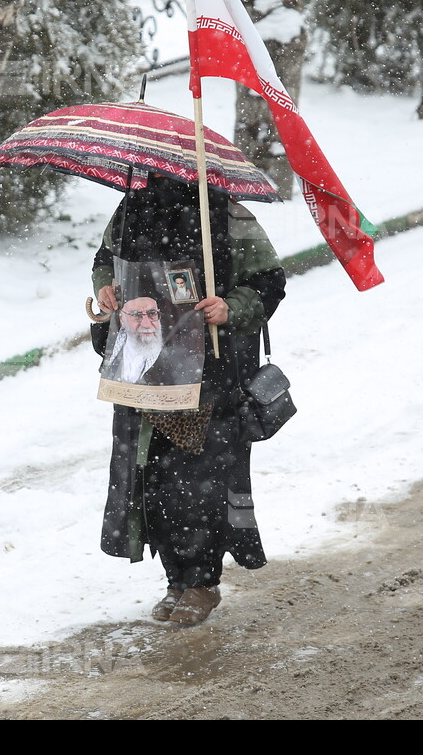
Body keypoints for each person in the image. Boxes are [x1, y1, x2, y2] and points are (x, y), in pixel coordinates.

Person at [92, 173, 285, 626]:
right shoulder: (130, 210)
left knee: (200, 482)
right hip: (143, 374)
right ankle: (176, 579)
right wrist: (106, 289)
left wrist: (230, 307)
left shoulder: (227, 214)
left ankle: (201, 582)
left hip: (210, 378)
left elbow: (268, 279)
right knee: (153, 481)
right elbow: (105, 260)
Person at [101, 295, 164, 385]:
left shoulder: (175, 356)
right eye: (136, 315)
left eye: (152, 313)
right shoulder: (105, 343)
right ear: (122, 318)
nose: (146, 324)